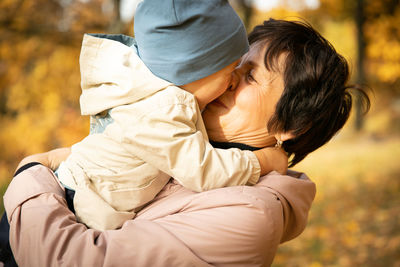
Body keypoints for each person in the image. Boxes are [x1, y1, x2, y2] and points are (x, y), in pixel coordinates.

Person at [2, 18, 370, 266]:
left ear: (292, 125)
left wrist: (30, 173)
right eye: (233, 66)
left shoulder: (249, 216)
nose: (227, 80)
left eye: (251, 78)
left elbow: (71, 258)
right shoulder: (181, 136)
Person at [56, 0, 288, 231]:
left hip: (90, 195)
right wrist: (262, 161)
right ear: (199, 69)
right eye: (231, 70)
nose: (233, 82)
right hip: (84, 203)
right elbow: (204, 170)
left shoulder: (159, 100)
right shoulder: (160, 111)